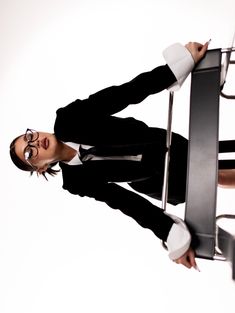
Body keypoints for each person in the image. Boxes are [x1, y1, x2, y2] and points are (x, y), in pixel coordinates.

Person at [10, 41, 210, 270]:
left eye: (29, 137)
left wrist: (176, 68)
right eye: (29, 152)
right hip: (158, 183)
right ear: (41, 168)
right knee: (213, 181)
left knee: (215, 167)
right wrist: (170, 234)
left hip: (162, 144)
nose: (35, 142)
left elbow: (124, 93)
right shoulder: (75, 182)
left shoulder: (68, 118)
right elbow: (124, 202)